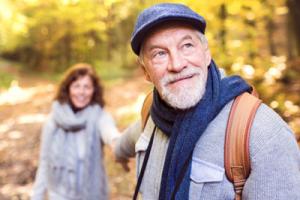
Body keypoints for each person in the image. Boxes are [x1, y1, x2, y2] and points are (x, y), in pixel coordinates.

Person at [114, 3, 300, 200]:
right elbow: (129, 139)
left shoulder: (263, 133)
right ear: (145, 72)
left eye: (187, 46)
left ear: (206, 53)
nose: (177, 64)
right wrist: (118, 151)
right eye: (159, 53)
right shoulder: (152, 114)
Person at [31, 63, 120, 200]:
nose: (81, 92)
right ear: (68, 89)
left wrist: (116, 142)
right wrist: (36, 196)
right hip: (59, 195)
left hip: (92, 195)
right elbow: (44, 162)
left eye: (87, 87)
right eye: (76, 86)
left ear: (94, 91)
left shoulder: (98, 116)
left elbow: (109, 130)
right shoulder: (53, 121)